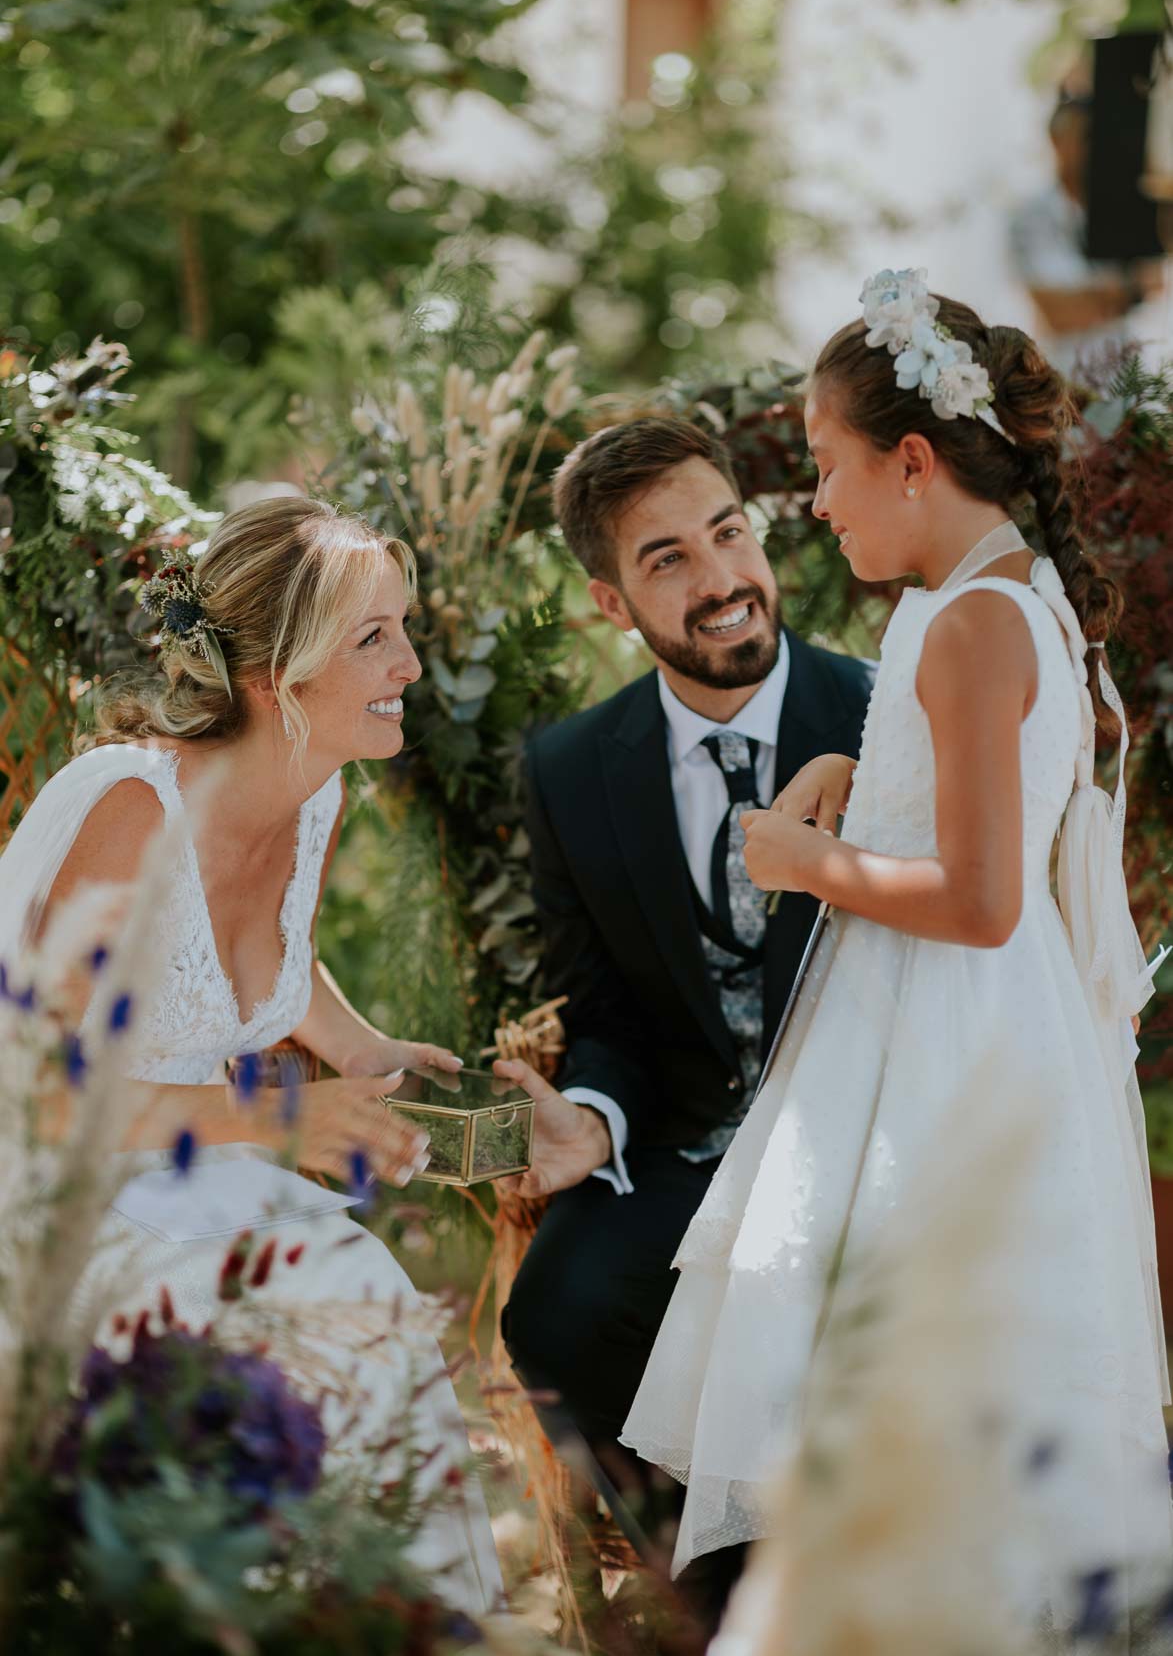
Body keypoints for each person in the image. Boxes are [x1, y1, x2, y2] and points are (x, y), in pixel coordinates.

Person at [621, 270, 1172, 1628]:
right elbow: (968, 795)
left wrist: (806, 861)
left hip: (952, 1031)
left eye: (826, 466)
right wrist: (840, 773)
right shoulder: (987, 591)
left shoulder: (977, 618)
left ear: (911, 460)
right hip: (937, 1008)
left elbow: (984, 894)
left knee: (915, 1370)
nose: (817, 501)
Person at [0, 497, 502, 1615]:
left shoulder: (313, 789)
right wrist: (279, 1125)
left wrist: (363, 1047)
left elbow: (272, 954)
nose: (411, 664)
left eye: (402, 628)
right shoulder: (134, 813)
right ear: (282, 676)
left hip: (188, 1168)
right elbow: (42, 1101)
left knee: (364, 1298)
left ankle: (384, 1625)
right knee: (309, 1319)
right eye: (374, 637)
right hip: (59, 1205)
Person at [493, 417, 872, 1599]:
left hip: (866, 1138)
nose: (721, 583)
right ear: (612, 603)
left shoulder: (882, 715)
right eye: (668, 560)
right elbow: (605, 1004)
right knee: (553, 1315)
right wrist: (592, 1120)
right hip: (690, 1142)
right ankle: (731, 1603)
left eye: (726, 532)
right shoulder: (569, 769)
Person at [1007, 90, 1165, 373]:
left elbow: (1156, 281)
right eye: (1087, 137)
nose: (1096, 149)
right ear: (1057, 140)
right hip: (1069, 381)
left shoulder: (1125, 209)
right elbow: (1061, 314)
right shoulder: (1031, 218)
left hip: (1133, 380)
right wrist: (1131, 291)